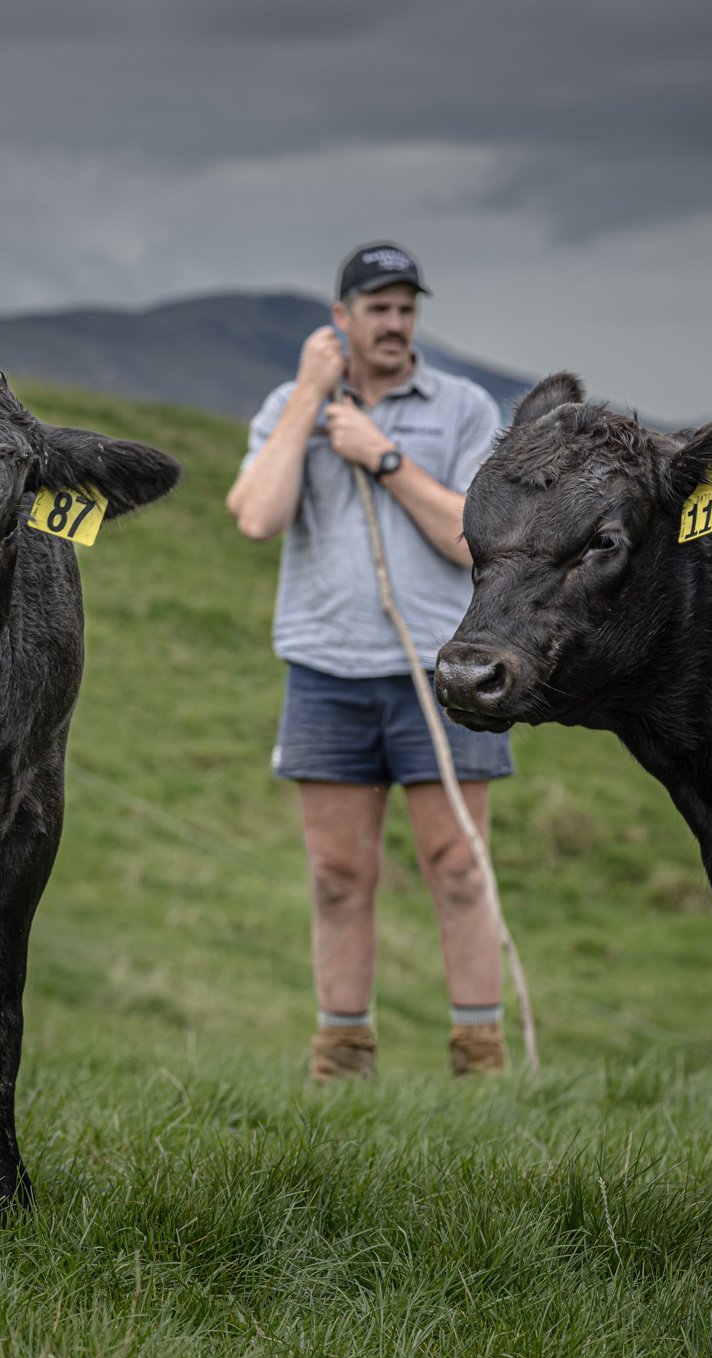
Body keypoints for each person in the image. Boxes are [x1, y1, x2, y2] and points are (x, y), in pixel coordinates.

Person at [225, 241, 513, 1081]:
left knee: (458, 868)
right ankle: (342, 1059)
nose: (394, 323)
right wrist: (312, 400)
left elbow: (473, 538)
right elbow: (255, 517)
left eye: (405, 308)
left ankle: (480, 1063)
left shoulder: (461, 406)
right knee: (338, 874)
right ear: (340, 319)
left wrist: (383, 457)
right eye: (377, 308)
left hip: (443, 674)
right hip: (326, 671)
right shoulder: (293, 404)